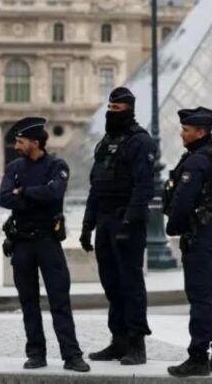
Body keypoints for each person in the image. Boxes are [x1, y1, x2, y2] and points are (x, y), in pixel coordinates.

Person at [0, 117, 89, 372]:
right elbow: (4, 198)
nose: (16, 145)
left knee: (60, 300)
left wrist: (23, 192)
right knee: (28, 302)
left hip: (48, 243)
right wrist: (36, 195)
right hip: (22, 243)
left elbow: (55, 194)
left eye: (20, 141)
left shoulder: (57, 165)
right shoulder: (14, 167)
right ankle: (36, 353)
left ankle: (72, 355)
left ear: (35, 142)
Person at [80, 87, 156, 365]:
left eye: (117, 110)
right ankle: (118, 340)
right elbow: (95, 185)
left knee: (131, 284)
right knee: (111, 284)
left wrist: (128, 223)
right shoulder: (105, 142)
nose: (111, 114)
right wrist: (88, 225)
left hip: (127, 222)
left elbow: (144, 188)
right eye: (109, 109)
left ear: (129, 110)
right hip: (105, 220)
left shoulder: (141, 142)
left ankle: (137, 344)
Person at [163, 107, 212, 377]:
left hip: (199, 232)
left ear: (200, 132)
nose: (182, 134)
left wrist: (175, 227)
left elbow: (182, 201)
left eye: (186, 130)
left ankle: (197, 357)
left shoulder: (196, 161)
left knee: (200, 296)